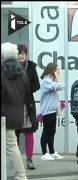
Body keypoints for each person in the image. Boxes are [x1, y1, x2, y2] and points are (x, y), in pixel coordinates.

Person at [1, 42, 29, 180]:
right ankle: (20, 176)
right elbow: (26, 92)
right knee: (11, 145)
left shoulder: (2, 71)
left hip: (3, 113)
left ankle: (20, 176)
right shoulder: (22, 73)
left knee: (10, 146)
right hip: (16, 113)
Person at [14, 44, 40, 170]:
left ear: (26, 55)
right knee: (14, 134)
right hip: (13, 106)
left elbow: (37, 85)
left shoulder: (31, 67)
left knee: (29, 133)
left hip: (28, 105)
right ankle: (16, 161)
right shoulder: (9, 68)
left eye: (22, 54)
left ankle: (29, 159)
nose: (20, 56)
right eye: (18, 54)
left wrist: (26, 90)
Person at [39, 62, 64, 160]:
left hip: (52, 111)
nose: (59, 71)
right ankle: (44, 153)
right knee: (46, 131)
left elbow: (58, 86)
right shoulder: (46, 81)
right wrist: (57, 78)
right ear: (52, 70)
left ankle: (52, 151)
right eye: (57, 69)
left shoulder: (50, 81)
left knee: (52, 131)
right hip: (47, 111)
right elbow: (59, 86)